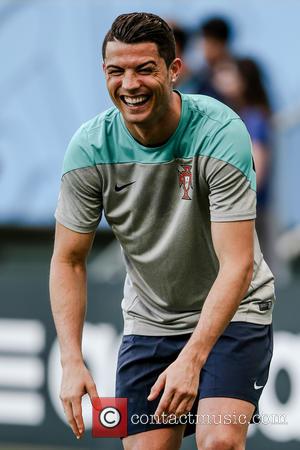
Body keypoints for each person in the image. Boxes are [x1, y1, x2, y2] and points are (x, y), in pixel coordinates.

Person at [49, 12, 275, 450]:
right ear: (104, 73)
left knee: (219, 441)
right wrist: (71, 361)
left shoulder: (221, 131)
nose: (129, 84)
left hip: (236, 312)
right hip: (149, 321)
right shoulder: (88, 148)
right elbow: (68, 259)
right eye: (117, 71)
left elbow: (238, 263)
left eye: (144, 69)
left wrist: (192, 358)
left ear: (174, 70)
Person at [211, 57, 273, 262]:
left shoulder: (254, 118)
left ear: (243, 80)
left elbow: (259, 165)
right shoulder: (238, 115)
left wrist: (244, 199)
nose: (220, 78)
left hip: (249, 209)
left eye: (228, 73)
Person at [195, 17, 235, 101]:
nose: (203, 47)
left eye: (207, 42)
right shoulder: (202, 73)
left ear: (221, 44)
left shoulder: (234, 75)